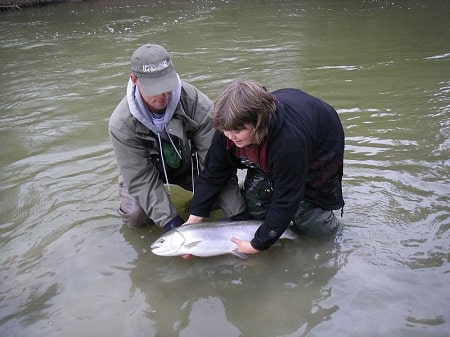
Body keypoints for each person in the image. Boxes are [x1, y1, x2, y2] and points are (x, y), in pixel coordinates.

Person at [186, 79, 345, 254]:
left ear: (258, 123)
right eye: (226, 131)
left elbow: (286, 199)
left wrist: (256, 245)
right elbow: (213, 173)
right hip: (276, 145)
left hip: (320, 144)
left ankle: (338, 240)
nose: (230, 137)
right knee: (255, 198)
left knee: (303, 208)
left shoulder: (288, 143)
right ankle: (276, 229)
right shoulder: (228, 129)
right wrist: (196, 216)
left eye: (238, 131)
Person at [108, 44, 247, 231]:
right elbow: (140, 178)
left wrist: (239, 216)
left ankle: (195, 206)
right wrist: (171, 224)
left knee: (218, 198)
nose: (163, 95)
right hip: (145, 170)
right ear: (134, 80)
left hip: (188, 164)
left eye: (166, 86)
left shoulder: (198, 105)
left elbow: (216, 164)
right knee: (136, 217)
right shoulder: (121, 124)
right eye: (154, 88)